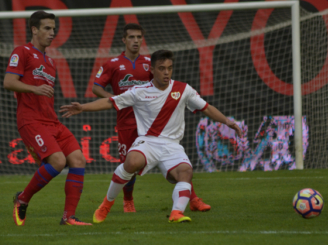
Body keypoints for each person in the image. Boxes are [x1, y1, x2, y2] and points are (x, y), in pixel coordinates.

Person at [61, 50, 242, 223]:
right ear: (152, 70)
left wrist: (227, 121)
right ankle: (106, 204)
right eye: (162, 68)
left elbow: (207, 107)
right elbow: (110, 102)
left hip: (172, 145)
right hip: (148, 142)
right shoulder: (139, 91)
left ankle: (176, 213)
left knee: (186, 172)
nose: (166, 72)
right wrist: (83, 107)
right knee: (131, 162)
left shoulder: (183, 89)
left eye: (169, 68)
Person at [92, 23, 211, 213]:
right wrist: (116, 100)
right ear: (124, 40)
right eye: (131, 37)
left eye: (139, 37)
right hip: (126, 122)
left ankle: (194, 199)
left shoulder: (150, 63)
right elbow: (96, 87)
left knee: (179, 162)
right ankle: (128, 200)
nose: (136, 41)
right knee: (128, 164)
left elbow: (162, 85)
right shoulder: (112, 64)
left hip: (151, 122)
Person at [3, 11, 92, 226]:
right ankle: (22, 199)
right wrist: (34, 89)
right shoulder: (22, 51)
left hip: (51, 121)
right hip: (31, 120)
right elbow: (8, 82)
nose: (52, 33)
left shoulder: (50, 61)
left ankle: (68, 217)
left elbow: (44, 94)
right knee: (59, 161)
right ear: (34, 29)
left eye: (53, 28)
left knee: (79, 160)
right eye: (47, 28)